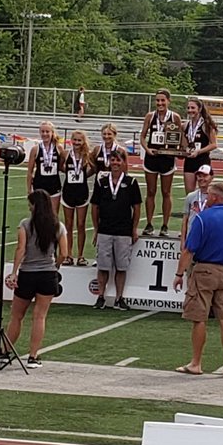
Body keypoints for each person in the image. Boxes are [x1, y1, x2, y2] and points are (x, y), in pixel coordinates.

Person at [173, 180, 223, 379]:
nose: (206, 198)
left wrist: (179, 274)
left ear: (214, 197)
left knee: (199, 317)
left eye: (209, 195)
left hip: (205, 270)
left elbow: (189, 249)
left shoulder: (203, 218)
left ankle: (196, 362)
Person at [5, 190, 67, 368]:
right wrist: (55, 267)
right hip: (47, 273)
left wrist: (14, 271)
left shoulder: (25, 224)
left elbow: (21, 249)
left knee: (16, 316)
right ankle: (33, 356)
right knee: (39, 317)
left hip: (28, 273)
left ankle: (5, 351)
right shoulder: (57, 226)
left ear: (34, 206)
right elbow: (64, 253)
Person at [90, 147, 142, 312]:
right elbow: (95, 207)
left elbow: (137, 207)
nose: (115, 163)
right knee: (103, 266)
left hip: (123, 231)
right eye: (112, 160)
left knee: (121, 267)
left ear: (124, 163)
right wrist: (96, 229)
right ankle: (101, 296)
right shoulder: (102, 182)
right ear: (109, 162)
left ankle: (120, 298)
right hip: (105, 229)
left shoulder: (131, 182)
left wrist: (134, 229)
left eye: (118, 160)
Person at [140, 88, 183, 236]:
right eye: (157, 100)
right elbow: (142, 137)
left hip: (167, 158)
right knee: (151, 191)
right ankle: (149, 224)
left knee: (166, 192)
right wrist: (147, 149)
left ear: (168, 101)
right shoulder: (150, 116)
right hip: (152, 157)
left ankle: (165, 225)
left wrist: (182, 151)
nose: (160, 103)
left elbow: (180, 137)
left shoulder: (175, 117)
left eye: (162, 100)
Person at [61, 129, 91, 266]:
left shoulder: (87, 156)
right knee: (68, 224)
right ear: (71, 141)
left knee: (81, 224)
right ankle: (68, 254)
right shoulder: (66, 154)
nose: (77, 143)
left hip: (82, 193)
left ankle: (80, 255)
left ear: (83, 141)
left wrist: (83, 176)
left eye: (79, 140)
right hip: (68, 192)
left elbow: (93, 168)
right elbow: (61, 167)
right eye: (75, 140)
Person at [26, 122, 65, 214]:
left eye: (47, 131)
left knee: (53, 214)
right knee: (38, 214)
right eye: (42, 131)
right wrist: (28, 190)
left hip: (54, 185)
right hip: (39, 185)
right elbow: (29, 171)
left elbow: (62, 167)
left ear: (52, 132)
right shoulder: (35, 149)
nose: (45, 134)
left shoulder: (59, 148)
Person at [181, 97, 218, 194]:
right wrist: (185, 149)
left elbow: (214, 144)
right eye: (188, 108)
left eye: (193, 108)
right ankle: (190, 210)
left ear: (199, 109)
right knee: (189, 194)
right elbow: (183, 139)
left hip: (202, 160)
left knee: (204, 191)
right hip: (189, 161)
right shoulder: (185, 125)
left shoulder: (206, 125)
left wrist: (199, 151)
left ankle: (204, 209)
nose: (190, 110)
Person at [180, 163, 213, 248]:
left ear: (212, 177)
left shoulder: (214, 197)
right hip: (192, 237)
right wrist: (183, 240)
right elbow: (185, 220)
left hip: (209, 238)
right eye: (199, 176)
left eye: (205, 176)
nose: (201, 178)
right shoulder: (191, 196)